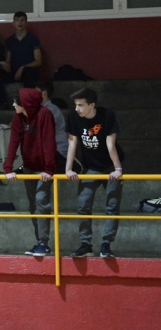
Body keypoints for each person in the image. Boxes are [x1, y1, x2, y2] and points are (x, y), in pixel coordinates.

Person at [65, 88, 123, 258]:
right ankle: (85, 244)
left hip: (110, 165)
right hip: (90, 166)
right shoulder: (73, 117)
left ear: (92, 105)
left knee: (112, 206)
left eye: (80, 105)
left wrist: (118, 169)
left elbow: (111, 144)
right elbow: (72, 143)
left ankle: (106, 244)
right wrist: (68, 169)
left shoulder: (107, 115)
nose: (77, 109)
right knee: (83, 204)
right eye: (76, 105)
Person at [5, 89, 59, 256]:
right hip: (29, 166)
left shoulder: (45, 114)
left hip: (44, 169)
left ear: (25, 103)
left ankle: (44, 242)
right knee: (33, 205)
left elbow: (49, 142)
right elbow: (14, 141)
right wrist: (8, 167)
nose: (13, 105)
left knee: (41, 201)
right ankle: (39, 241)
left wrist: (49, 169)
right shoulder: (18, 117)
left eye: (16, 102)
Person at [5, 11, 42, 88]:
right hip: (15, 71)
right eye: (17, 20)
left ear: (26, 23)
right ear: (13, 23)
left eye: (22, 20)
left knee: (28, 71)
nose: (20, 22)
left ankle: (27, 95)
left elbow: (38, 61)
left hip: (29, 71)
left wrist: (23, 67)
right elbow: (8, 60)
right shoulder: (9, 41)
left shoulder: (33, 39)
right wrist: (6, 66)